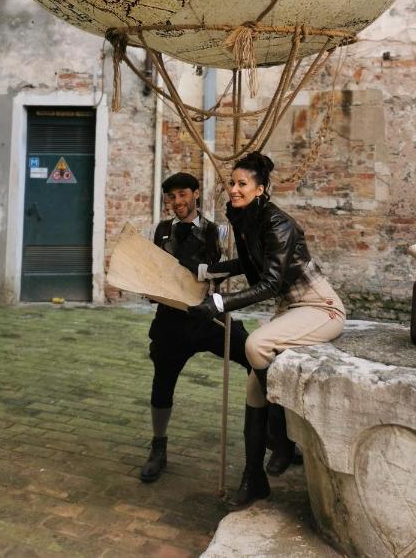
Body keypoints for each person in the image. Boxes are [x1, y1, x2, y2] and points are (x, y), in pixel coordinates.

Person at [189, 152, 346, 510]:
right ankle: (254, 478)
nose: (234, 189)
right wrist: (209, 272)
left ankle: (283, 435)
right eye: (232, 182)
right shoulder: (246, 220)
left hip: (319, 306)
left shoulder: (278, 223)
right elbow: (249, 266)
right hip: (289, 308)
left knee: (256, 345)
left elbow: (271, 283)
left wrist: (219, 304)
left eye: (243, 184)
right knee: (252, 391)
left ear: (261, 189)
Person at [140, 171, 251, 483]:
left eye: (183, 195)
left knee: (256, 357)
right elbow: (148, 273)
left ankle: (275, 438)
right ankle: (158, 447)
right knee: (162, 381)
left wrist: (209, 273)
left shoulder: (219, 233)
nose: (177, 202)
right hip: (171, 322)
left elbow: (238, 265)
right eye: (172, 197)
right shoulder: (158, 232)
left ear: (195, 194)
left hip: (210, 318)